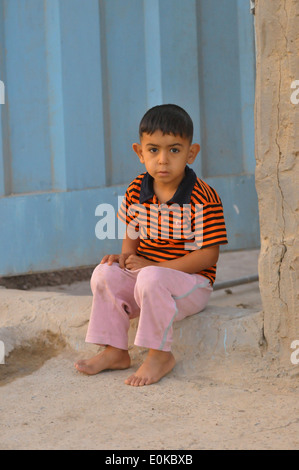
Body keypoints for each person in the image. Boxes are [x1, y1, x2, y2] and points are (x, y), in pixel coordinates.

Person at [75, 104, 228, 386]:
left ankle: (160, 354)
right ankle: (116, 350)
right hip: (149, 279)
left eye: (174, 150)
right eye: (154, 150)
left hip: (191, 285)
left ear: (191, 153)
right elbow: (132, 233)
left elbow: (208, 256)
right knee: (104, 273)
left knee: (151, 277)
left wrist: (154, 266)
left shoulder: (201, 197)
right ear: (140, 152)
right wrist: (124, 259)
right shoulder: (137, 189)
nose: (163, 160)